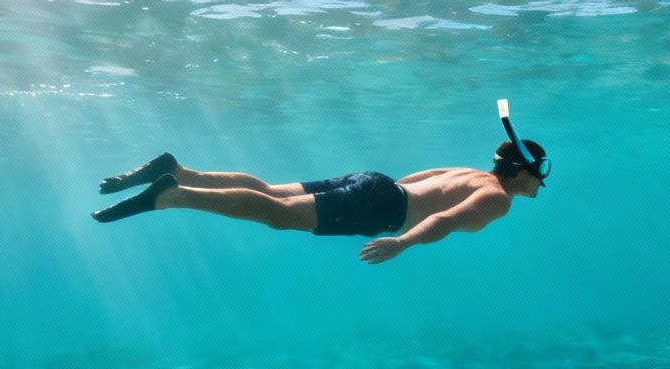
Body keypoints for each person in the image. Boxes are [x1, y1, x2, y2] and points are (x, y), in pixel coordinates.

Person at [92, 106, 548, 265]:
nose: (540, 184)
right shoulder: (495, 197)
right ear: (521, 170)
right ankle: (174, 194)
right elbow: (446, 220)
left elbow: (413, 183)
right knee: (277, 215)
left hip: (375, 183)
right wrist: (402, 242)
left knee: (270, 191)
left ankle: (181, 170)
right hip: (380, 208)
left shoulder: (468, 172)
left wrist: (384, 202)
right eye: (539, 174)